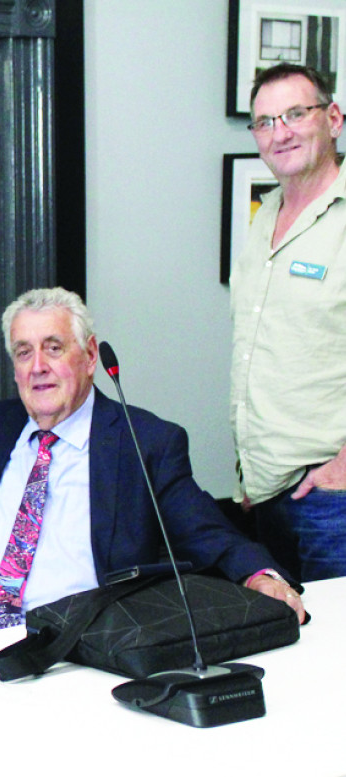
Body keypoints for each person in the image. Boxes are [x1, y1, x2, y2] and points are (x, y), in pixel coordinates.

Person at [0, 287, 305, 644]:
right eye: (24, 352)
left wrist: (261, 576)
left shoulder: (143, 442)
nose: (38, 367)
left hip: (69, 654)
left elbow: (206, 530)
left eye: (54, 348)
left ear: (90, 357)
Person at [230, 64, 346, 582]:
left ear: (334, 118)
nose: (280, 132)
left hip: (332, 501)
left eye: (296, 114)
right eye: (264, 121)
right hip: (265, 494)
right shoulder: (263, 216)